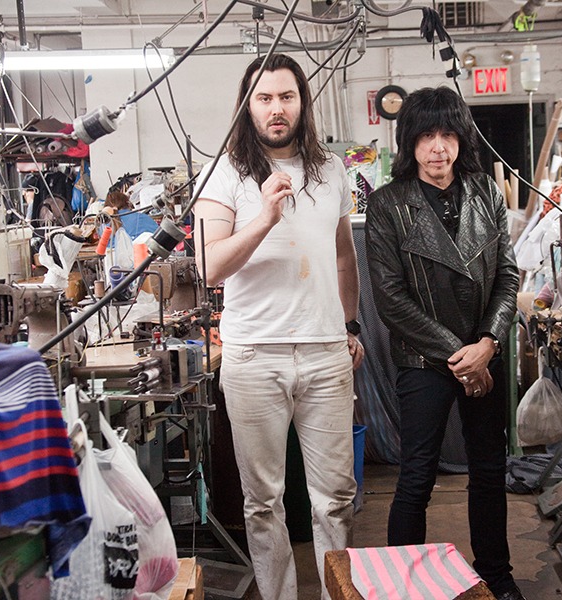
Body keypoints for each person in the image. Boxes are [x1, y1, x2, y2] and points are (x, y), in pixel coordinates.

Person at [193, 53, 364, 600]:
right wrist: (264, 217)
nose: (275, 108)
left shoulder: (332, 170)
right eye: (263, 98)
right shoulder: (225, 171)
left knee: (335, 495)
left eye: (285, 96)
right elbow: (209, 266)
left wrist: (351, 325)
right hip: (253, 357)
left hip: (324, 353)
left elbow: (343, 257)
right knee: (263, 502)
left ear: (301, 102)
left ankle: (339, 593)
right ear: (247, 105)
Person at [365, 86, 524, 600]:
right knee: (415, 478)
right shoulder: (388, 205)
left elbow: (507, 276)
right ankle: (400, 584)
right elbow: (390, 299)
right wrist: (461, 355)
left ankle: (498, 576)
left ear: (461, 139)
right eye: (427, 135)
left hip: (484, 352)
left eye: (448, 134)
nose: (439, 147)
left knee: (488, 471)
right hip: (424, 359)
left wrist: (488, 343)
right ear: (409, 141)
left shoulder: (487, 193)